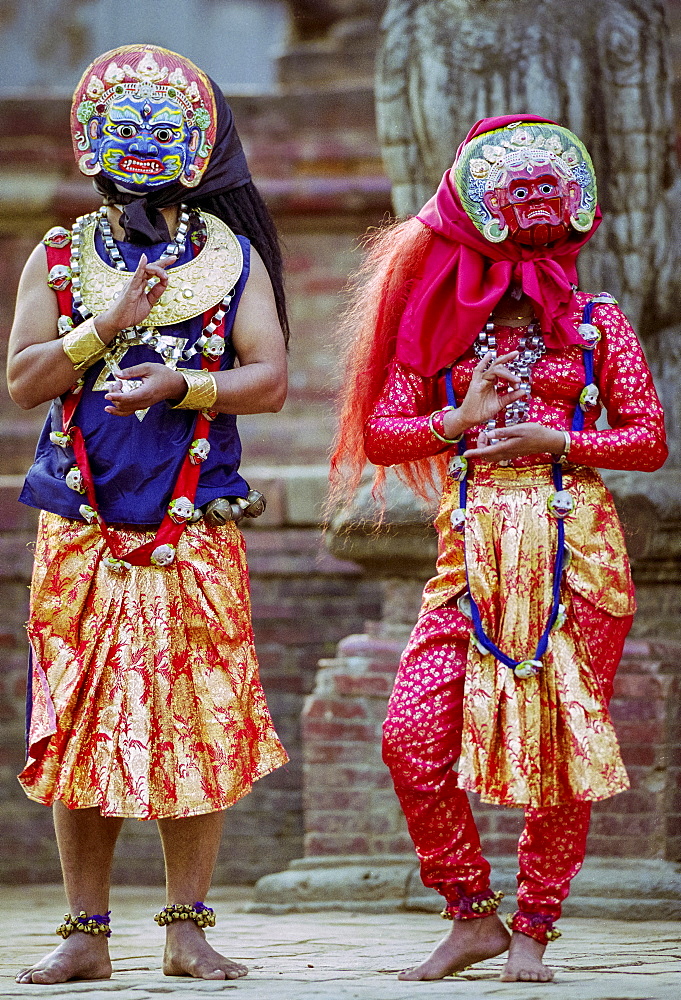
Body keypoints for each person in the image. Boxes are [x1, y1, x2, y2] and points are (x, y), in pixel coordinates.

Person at [330, 115, 667, 983]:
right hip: (470, 557)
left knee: (564, 747)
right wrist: (457, 419)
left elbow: (648, 439)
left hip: (574, 555)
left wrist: (556, 442)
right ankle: (469, 914)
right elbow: (381, 431)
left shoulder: (593, 323)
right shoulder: (439, 332)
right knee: (409, 738)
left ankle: (533, 929)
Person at [7, 44, 289, 985]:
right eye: (121, 129)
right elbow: (21, 382)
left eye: (161, 131)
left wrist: (185, 382)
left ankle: (185, 927)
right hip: (80, 525)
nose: (139, 146)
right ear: (92, 140)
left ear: (196, 148)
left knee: (195, 717)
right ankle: (85, 933)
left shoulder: (229, 257)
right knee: (79, 717)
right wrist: (110, 324)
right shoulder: (57, 255)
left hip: (191, 528)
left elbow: (273, 378)